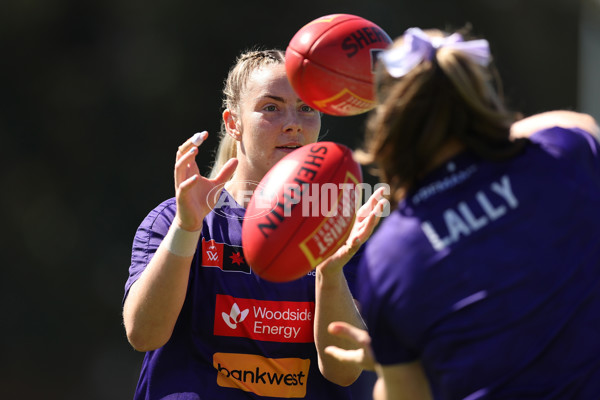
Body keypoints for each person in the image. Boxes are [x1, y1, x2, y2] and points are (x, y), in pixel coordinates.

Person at [325, 27, 600, 399]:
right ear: (477, 91)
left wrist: (393, 369)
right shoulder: (561, 155)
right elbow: (576, 124)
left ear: (389, 118)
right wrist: (486, 132)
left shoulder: (391, 255)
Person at [122, 48, 386, 400]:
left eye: (306, 108)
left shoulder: (337, 232)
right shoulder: (175, 219)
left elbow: (343, 370)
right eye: (271, 107)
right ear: (233, 123)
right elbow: (144, 335)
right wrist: (187, 228)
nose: (293, 123)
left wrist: (330, 271)